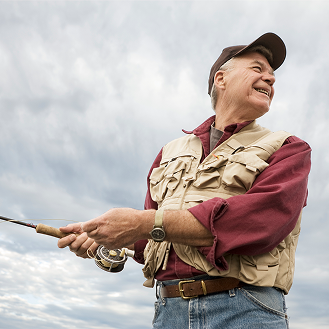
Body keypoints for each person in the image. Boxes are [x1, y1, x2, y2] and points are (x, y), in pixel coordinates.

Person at [58, 32, 311, 328]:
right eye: (258, 68)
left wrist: (141, 223)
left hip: (247, 311)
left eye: (272, 74)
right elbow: (151, 241)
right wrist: (101, 238)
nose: (271, 79)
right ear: (221, 78)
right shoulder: (168, 153)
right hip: (169, 312)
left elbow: (258, 223)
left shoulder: (289, 148)